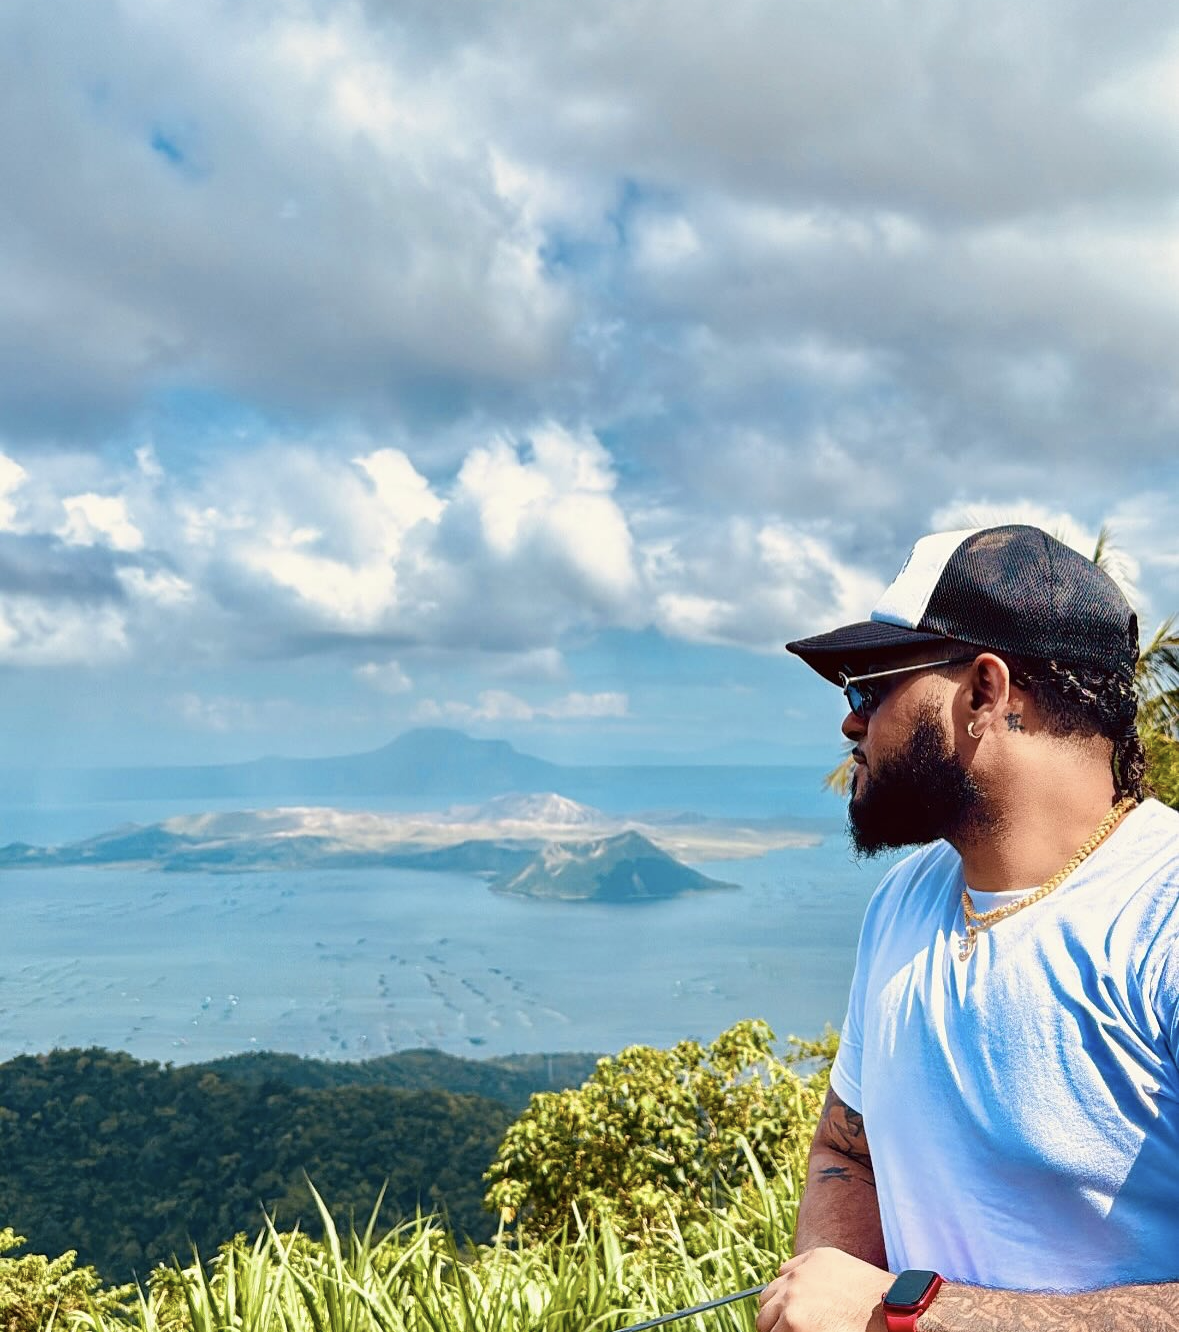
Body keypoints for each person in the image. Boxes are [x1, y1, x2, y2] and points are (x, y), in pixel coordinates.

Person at [755, 524, 1179, 1332]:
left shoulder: (1161, 922)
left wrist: (906, 1316)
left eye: (866, 688)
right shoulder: (906, 899)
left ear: (984, 693)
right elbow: (851, 1154)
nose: (850, 724)